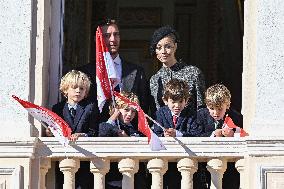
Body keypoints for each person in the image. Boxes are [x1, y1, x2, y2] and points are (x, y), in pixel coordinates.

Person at [78, 18, 150, 122]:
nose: (113, 39)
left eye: (116, 34)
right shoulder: (85, 72)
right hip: (96, 134)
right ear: (96, 39)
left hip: (128, 135)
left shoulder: (136, 71)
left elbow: (143, 105)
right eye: (107, 36)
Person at [46, 70, 99, 189]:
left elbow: (94, 131)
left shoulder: (90, 107)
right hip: (64, 158)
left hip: (84, 159)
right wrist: (50, 133)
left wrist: (83, 135)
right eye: (74, 87)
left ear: (86, 92)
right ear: (65, 89)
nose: (78, 91)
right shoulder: (57, 108)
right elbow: (55, 130)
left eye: (81, 88)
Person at [149, 25, 206, 116]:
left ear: (175, 46)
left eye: (168, 46)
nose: (163, 51)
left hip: (191, 128)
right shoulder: (154, 80)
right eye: (159, 48)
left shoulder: (193, 73)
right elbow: (156, 113)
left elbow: (201, 108)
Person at [98, 91, 148, 189]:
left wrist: (127, 139)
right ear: (117, 109)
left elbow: (140, 146)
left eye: (133, 111)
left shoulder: (136, 128)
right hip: (114, 178)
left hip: (135, 178)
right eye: (126, 110)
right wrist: (114, 116)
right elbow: (102, 133)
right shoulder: (110, 124)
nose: (130, 114)